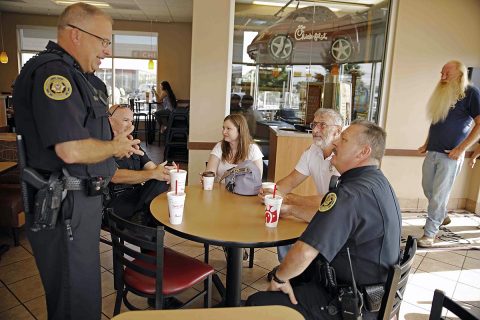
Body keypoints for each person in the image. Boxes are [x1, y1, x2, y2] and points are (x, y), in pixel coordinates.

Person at [12, 3, 143, 320]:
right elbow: (70, 151)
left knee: (82, 292)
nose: (107, 52)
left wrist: (112, 141)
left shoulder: (81, 78)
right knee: (75, 301)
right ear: (75, 34)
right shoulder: (54, 75)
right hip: (65, 204)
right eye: (104, 41)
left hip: (80, 202)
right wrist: (112, 147)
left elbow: (84, 135)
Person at [246, 120, 402, 320]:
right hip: (372, 296)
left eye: (344, 139)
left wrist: (279, 278)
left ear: (363, 152)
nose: (336, 143)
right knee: (300, 275)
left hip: (349, 305)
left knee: (257, 304)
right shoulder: (379, 183)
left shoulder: (349, 195)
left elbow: (304, 252)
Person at [259, 108, 342, 262]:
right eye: (314, 124)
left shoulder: (343, 158)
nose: (315, 130)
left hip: (336, 214)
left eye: (322, 125)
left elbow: (331, 200)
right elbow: (292, 180)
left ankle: (296, 273)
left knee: (288, 211)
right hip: (321, 210)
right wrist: (271, 192)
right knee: (283, 217)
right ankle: (287, 269)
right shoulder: (313, 151)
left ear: (337, 131)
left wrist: (288, 199)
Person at [418, 60, 480, 247]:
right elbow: (436, 122)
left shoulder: (471, 93)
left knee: (439, 196)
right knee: (427, 187)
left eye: (447, 74)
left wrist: (461, 149)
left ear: (460, 75)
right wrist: (426, 143)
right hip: (433, 151)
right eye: (441, 73)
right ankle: (442, 215)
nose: (442, 77)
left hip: (451, 155)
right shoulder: (443, 93)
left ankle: (430, 233)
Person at [107, 104, 173, 224]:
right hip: (114, 201)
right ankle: (142, 224)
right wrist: (153, 173)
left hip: (137, 197)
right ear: (110, 121)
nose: (130, 125)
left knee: (161, 179)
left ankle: (140, 221)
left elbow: (152, 168)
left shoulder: (132, 144)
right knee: (151, 215)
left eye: (131, 121)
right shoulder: (103, 146)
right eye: (125, 120)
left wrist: (167, 172)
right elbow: (114, 176)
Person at [205, 114, 263, 182]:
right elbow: (210, 172)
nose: (224, 132)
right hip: (220, 191)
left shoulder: (253, 149)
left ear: (240, 130)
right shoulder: (220, 146)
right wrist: (206, 179)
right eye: (223, 128)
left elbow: (258, 178)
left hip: (244, 192)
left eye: (228, 128)